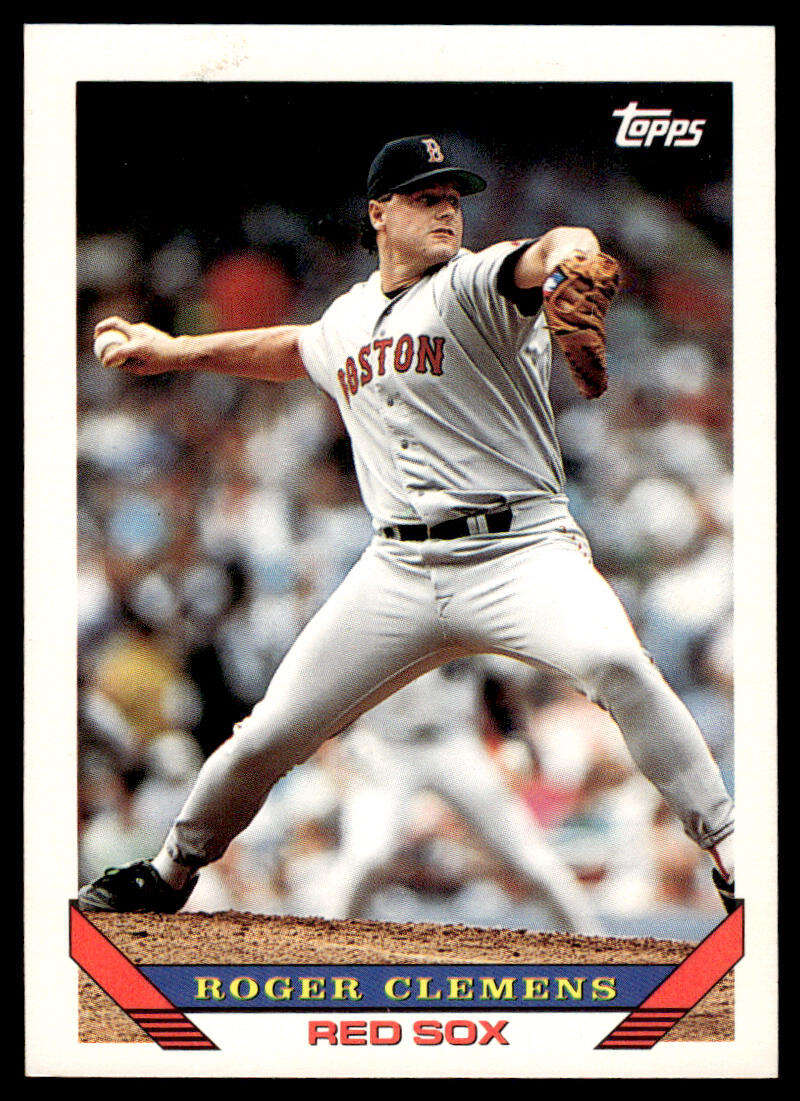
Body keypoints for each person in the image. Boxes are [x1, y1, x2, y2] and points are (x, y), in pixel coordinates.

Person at [78, 134, 736, 917]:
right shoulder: (348, 318)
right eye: (427, 197)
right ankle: (168, 873)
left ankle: (733, 850)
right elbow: (294, 347)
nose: (446, 211)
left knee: (616, 663)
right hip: (397, 572)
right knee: (268, 733)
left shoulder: (473, 285)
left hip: (520, 551)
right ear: (379, 212)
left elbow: (550, 250)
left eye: (453, 198)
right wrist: (179, 349)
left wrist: (575, 258)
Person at [321, 663, 601, 933]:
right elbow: (343, 679)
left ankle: (594, 945)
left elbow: (495, 680)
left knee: (528, 855)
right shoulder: (372, 618)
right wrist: (347, 736)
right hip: (385, 746)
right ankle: (328, 954)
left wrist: (514, 734)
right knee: (366, 856)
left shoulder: (458, 615)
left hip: (455, 744)